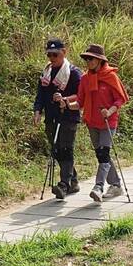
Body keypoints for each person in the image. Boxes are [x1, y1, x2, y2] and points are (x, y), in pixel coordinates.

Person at [72, 44, 129, 203]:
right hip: (92, 121)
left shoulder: (110, 77)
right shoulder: (85, 79)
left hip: (108, 121)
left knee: (104, 153)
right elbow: (80, 102)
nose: (88, 61)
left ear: (99, 60)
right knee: (101, 155)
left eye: (91, 58)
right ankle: (116, 185)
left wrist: (109, 111)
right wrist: (66, 104)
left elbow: (120, 99)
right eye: (86, 58)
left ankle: (98, 187)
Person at [32, 38, 82, 199]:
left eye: (55, 55)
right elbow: (40, 94)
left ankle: (64, 184)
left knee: (66, 148)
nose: (52, 58)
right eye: (49, 55)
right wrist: (37, 110)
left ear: (64, 53)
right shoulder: (46, 72)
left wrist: (65, 99)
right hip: (51, 117)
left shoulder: (73, 73)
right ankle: (73, 179)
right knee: (56, 149)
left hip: (68, 115)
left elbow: (81, 95)